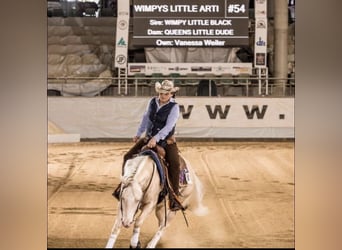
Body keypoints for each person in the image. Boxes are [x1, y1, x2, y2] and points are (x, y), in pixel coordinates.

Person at [112, 79, 183, 211]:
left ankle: (174, 197)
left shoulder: (174, 107)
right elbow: (146, 118)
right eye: (161, 93)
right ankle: (124, 186)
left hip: (166, 140)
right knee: (127, 156)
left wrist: (156, 139)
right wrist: (139, 133)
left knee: (175, 164)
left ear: (171, 94)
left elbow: (169, 126)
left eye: (166, 94)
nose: (162, 96)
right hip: (149, 138)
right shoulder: (152, 102)